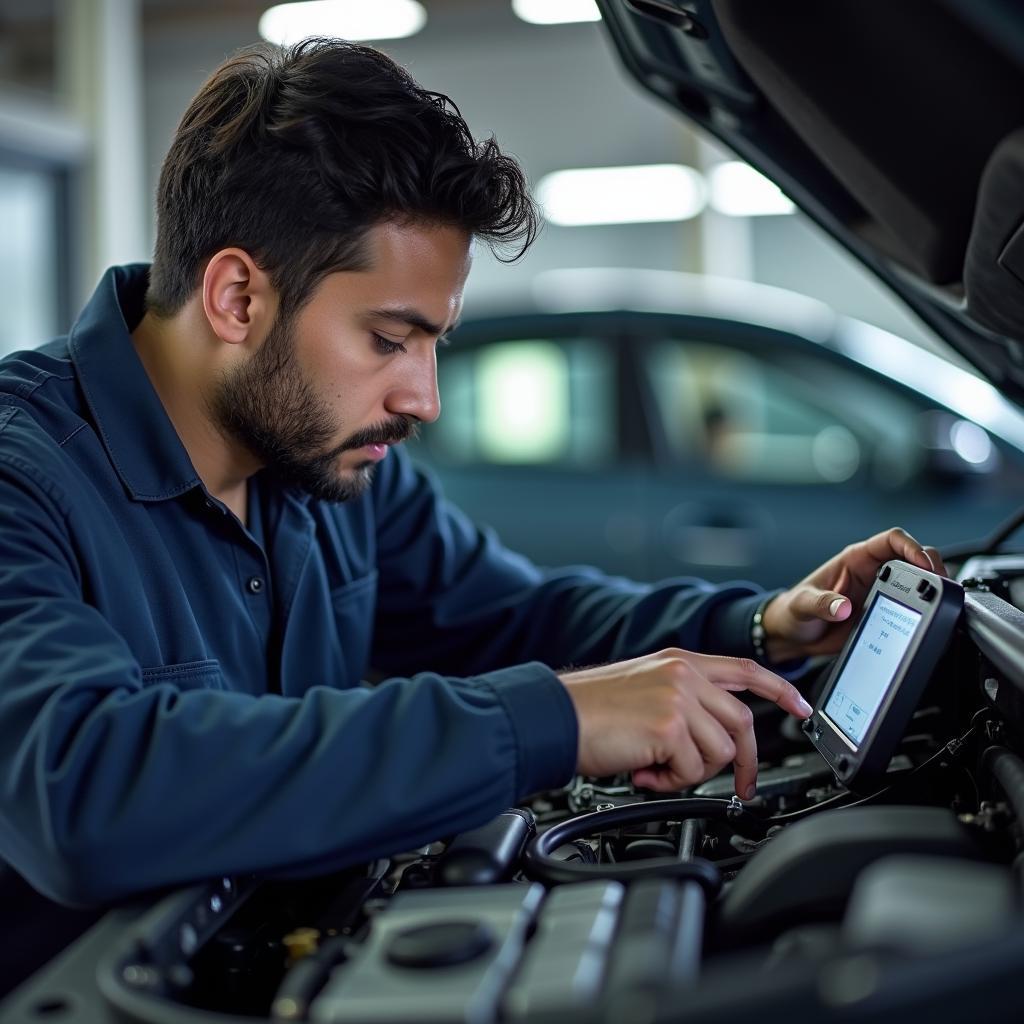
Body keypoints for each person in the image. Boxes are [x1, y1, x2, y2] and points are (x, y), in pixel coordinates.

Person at [0, 38, 945, 916]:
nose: (424, 399)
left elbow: (522, 619)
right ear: (238, 297)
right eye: (387, 339)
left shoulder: (329, 466)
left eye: (435, 343)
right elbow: (80, 788)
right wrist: (547, 718)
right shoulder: (22, 479)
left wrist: (762, 623)